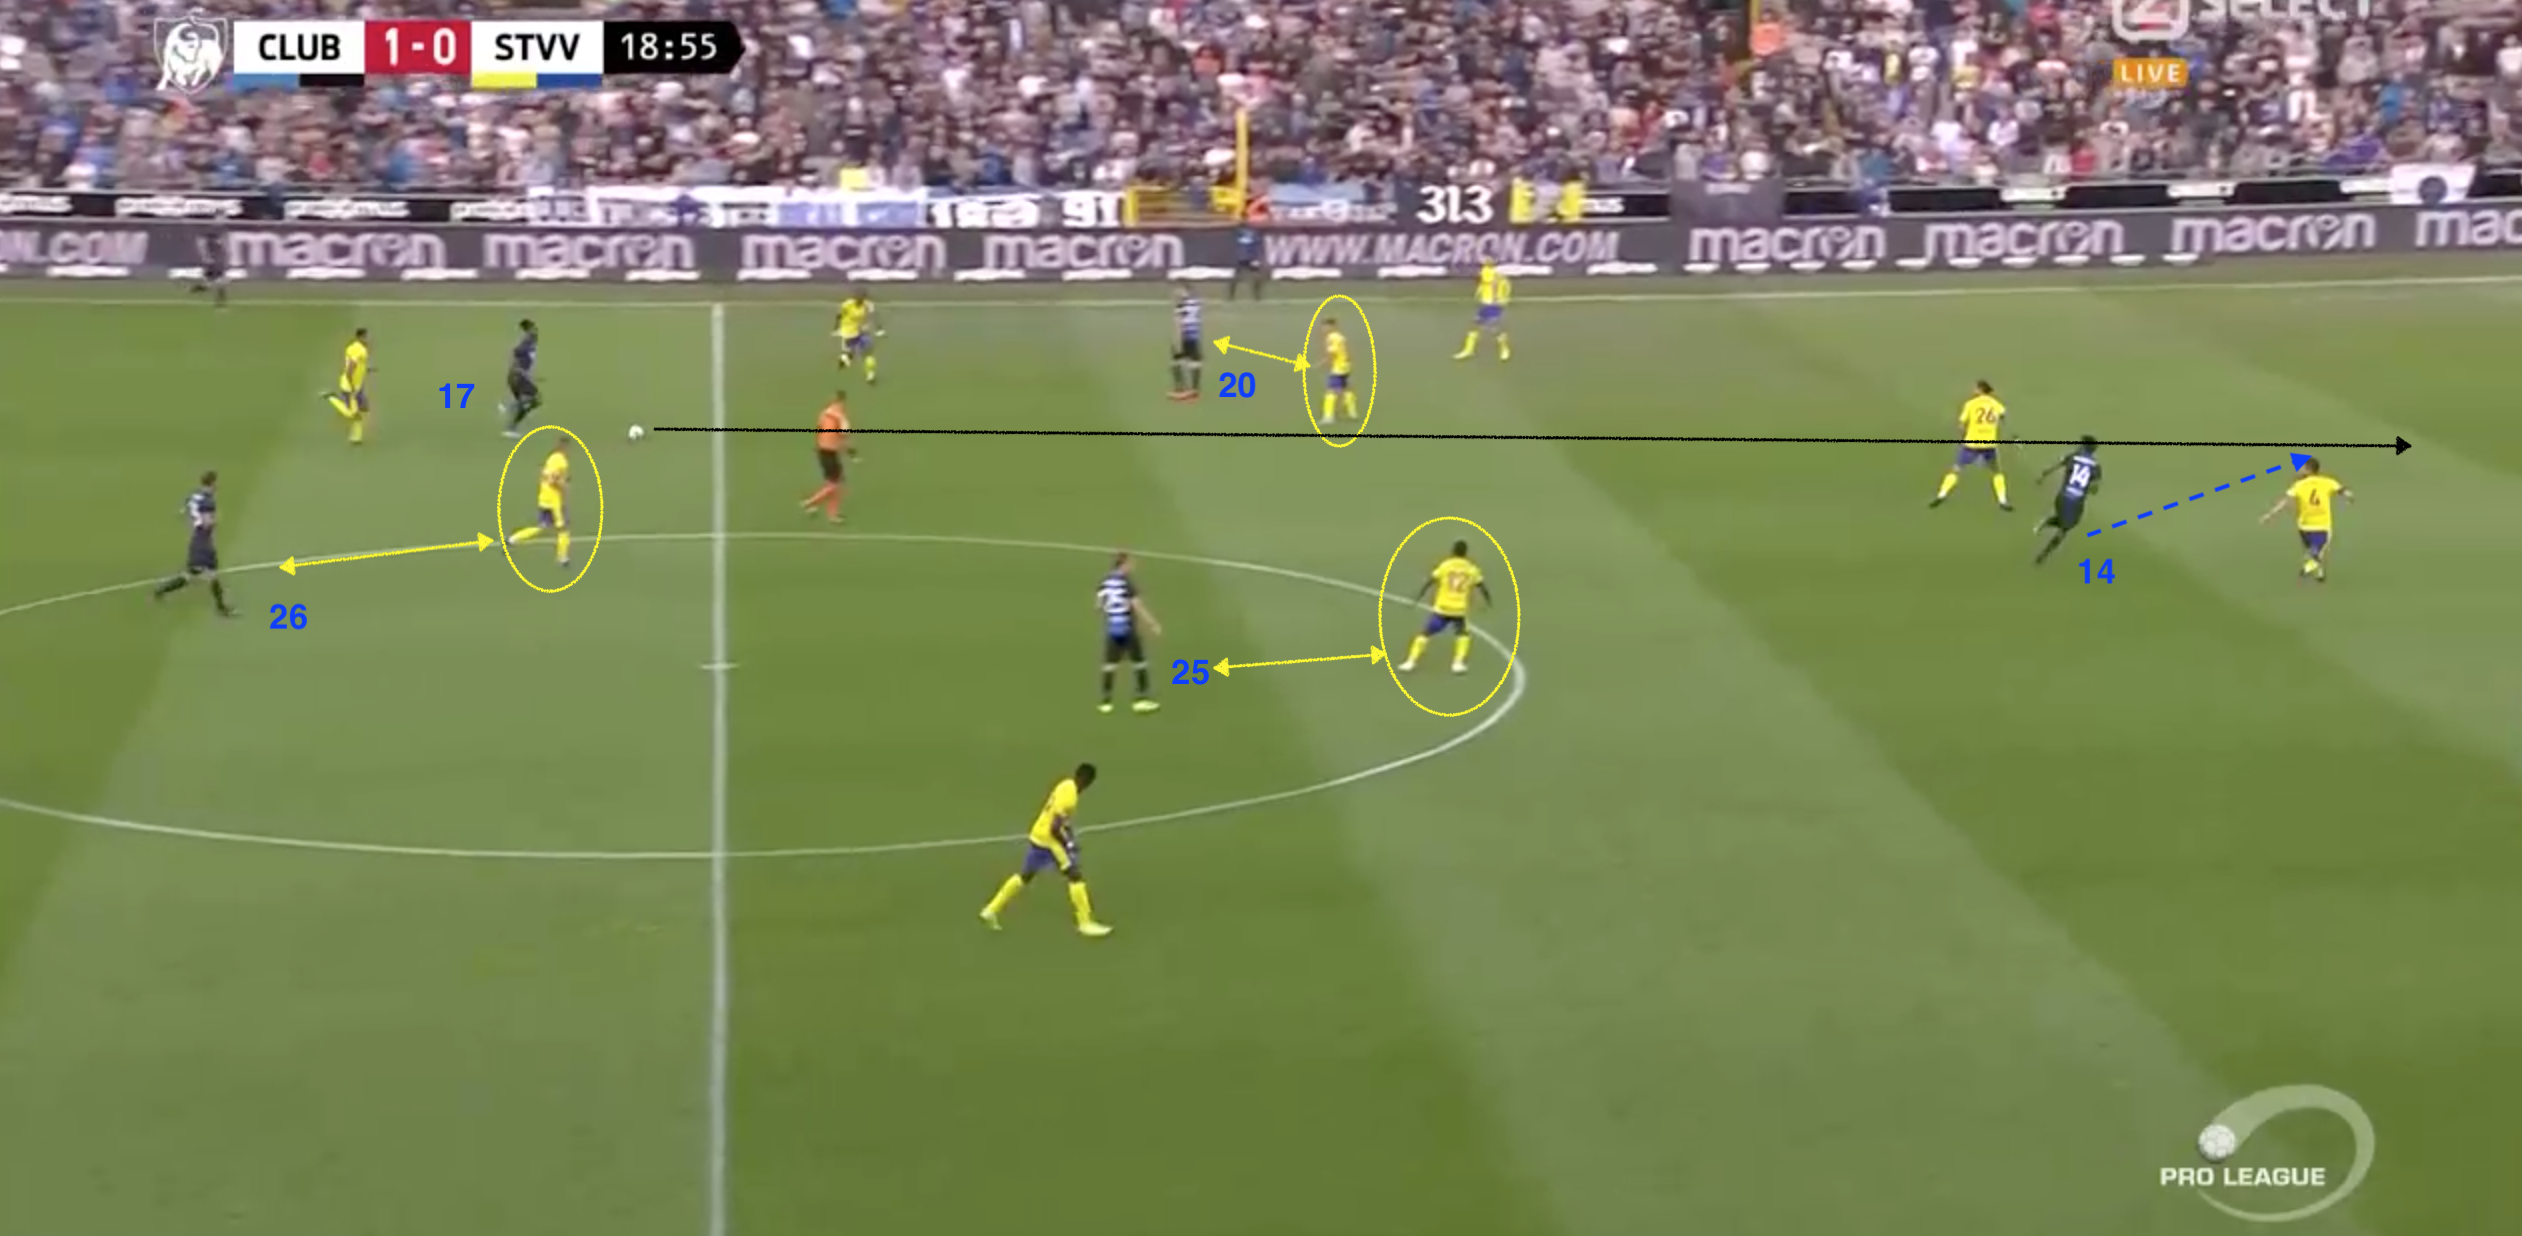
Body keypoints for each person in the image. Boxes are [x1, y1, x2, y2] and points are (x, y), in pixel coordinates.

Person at [977, 763, 1114, 938]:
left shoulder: (1065, 784)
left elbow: (1060, 818)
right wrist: (1068, 844)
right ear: (1087, 781)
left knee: (1025, 876)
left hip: (1038, 835)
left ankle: (991, 909)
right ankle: (1085, 923)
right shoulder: (1071, 796)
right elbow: (1055, 828)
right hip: (1050, 841)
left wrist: (1069, 833)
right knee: (1074, 875)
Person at [152, 470, 236, 617]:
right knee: (210, 575)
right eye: (216, 482)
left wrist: (194, 520)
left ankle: (161, 590)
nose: (218, 485)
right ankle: (221, 608)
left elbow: (181, 513)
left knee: (192, 575)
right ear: (212, 483)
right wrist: (215, 520)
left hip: (197, 540)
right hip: (203, 542)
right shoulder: (208, 501)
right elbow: (206, 523)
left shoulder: (194, 496)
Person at [1400, 540, 1491, 674]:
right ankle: (1458, 663)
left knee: (1425, 633)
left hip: (1442, 608)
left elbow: (1430, 581)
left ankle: (1410, 661)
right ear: (1466, 553)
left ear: (1453, 551)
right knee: (1462, 634)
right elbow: (1481, 586)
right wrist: (1488, 601)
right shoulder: (1471, 569)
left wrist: (1418, 597)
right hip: (1459, 609)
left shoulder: (1445, 565)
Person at [2260, 457, 2352, 582]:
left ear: (2308, 470)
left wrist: (2270, 515)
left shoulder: (2298, 485)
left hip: (2304, 527)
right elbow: (2343, 491)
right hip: (2322, 526)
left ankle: (2319, 574)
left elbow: (2284, 502)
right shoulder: (2328, 482)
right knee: (2316, 553)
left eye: (2302, 468)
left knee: (2314, 551)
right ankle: (2308, 568)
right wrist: (2349, 497)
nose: (2299, 470)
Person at [1096, 552, 1163, 714]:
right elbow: (1137, 606)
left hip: (1113, 628)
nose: (1132, 566)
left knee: (1110, 665)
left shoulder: (1105, 582)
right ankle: (1141, 700)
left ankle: (1106, 702)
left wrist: (1112, 612)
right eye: (1130, 563)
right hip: (1127, 628)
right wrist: (1152, 624)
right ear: (1123, 565)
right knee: (1139, 663)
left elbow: (1098, 606)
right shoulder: (1127, 583)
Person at [1931, 380, 2010, 511]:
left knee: (1956, 469)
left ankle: (1942, 494)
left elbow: (1961, 424)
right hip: (1989, 443)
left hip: (1971, 443)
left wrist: (1963, 437)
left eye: (1975, 388)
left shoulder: (1971, 404)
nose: (1973, 390)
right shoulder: (1995, 403)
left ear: (1980, 390)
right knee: (1997, 471)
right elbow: (2003, 414)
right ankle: (2002, 500)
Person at [2033, 437, 2102, 565]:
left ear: (2083, 446)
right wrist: (2089, 488)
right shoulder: (2096, 467)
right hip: (2076, 501)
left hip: (2063, 496)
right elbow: (2094, 489)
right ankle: (2045, 552)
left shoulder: (2073, 457)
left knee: (2062, 520)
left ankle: (2044, 524)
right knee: (2065, 528)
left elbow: (2055, 465)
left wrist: (2042, 475)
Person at [505, 439, 572, 567]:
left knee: (541, 526)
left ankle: (512, 539)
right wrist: (564, 487)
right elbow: (555, 481)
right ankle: (562, 558)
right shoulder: (561, 461)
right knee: (563, 529)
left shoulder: (551, 458)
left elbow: (548, 475)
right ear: (565, 447)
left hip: (544, 498)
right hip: (554, 501)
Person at [800, 392, 852, 524]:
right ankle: (809, 503)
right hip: (830, 453)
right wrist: (851, 452)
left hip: (822, 450)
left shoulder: (824, 413)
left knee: (834, 484)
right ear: (842, 402)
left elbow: (819, 430)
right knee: (834, 485)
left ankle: (832, 515)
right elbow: (844, 437)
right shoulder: (841, 417)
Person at [325, 328, 372, 446]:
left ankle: (356, 438)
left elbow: (357, 364)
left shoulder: (353, 347)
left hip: (357, 385)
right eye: (366, 337)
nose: (368, 339)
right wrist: (352, 387)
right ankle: (331, 397)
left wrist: (366, 369)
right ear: (360, 337)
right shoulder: (360, 350)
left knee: (364, 409)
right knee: (352, 414)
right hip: (350, 387)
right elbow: (350, 368)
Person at [1455, 262, 1510, 361]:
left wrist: (1495, 298)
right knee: (1474, 325)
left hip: (1492, 304)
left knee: (1494, 327)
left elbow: (1494, 284)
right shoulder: (1497, 274)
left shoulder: (1489, 272)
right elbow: (1504, 286)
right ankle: (1469, 350)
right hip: (1487, 304)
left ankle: (1504, 349)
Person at [501, 319, 542, 436]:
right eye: (533, 328)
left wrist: (530, 375)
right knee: (534, 399)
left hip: (518, 376)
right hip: (518, 376)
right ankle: (511, 427)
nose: (535, 331)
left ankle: (509, 408)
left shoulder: (531, 341)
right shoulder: (527, 342)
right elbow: (516, 352)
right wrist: (520, 370)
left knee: (529, 400)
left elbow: (523, 359)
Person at [834, 287, 879, 385]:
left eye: (863, 296)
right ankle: (844, 358)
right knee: (851, 353)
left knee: (868, 353)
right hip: (849, 332)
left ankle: (870, 375)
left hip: (861, 331)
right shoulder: (847, 304)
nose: (861, 298)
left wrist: (877, 328)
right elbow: (839, 315)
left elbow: (873, 315)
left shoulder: (867, 305)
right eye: (859, 296)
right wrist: (836, 328)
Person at [1168, 282, 1204, 401]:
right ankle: (1194, 390)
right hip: (1194, 334)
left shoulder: (1181, 305)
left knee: (1176, 360)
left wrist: (1177, 340)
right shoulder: (1195, 303)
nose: (1175, 293)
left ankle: (1180, 388)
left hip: (1184, 335)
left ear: (1184, 290)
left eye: (1177, 290)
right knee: (1195, 361)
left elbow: (1178, 322)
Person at [1318, 316, 1357, 424]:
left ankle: (1328, 417)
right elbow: (1347, 352)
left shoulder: (1331, 338)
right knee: (1346, 389)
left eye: (1325, 326)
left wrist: (1324, 363)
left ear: (1331, 326)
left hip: (1338, 368)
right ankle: (1352, 413)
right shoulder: (1341, 337)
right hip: (1345, 366)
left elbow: (1333, 353)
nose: (1323, 329)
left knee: (1330, 391)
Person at [1229, 216, 1265, 301]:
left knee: (1256, 277)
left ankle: (1257, 295)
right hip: (1242, 257)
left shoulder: (1254, 233)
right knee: (1236, 277)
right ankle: (1231, 296)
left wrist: (1257, 258)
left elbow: (1257, 246)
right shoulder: (1239, 231)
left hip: (1250, 257)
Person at [190, 228, 228, 309]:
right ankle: (220, 305)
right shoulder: (211, 245)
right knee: (216, 285)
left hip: (214, 266)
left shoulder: (213, 245)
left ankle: (220, 304)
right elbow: (209, 255)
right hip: (212, 266)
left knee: (217, 284)